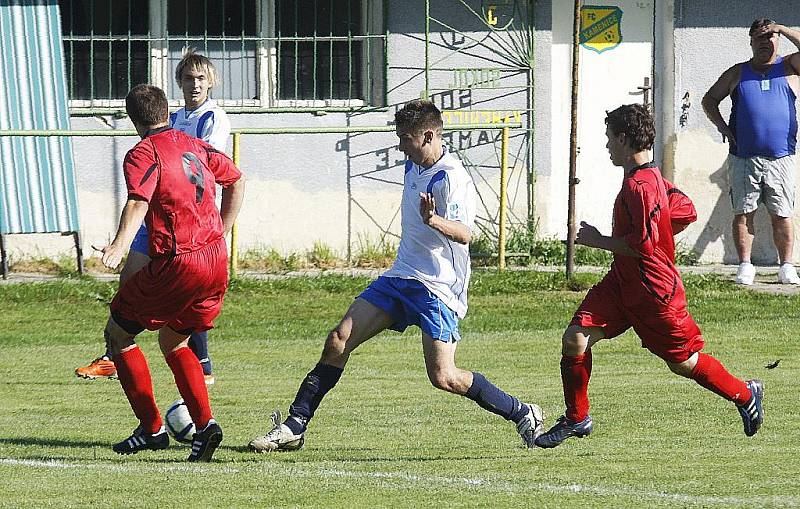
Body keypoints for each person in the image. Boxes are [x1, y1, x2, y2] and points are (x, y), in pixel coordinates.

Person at [248, 100, 543, 452]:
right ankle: (295, 424)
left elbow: (466, 234)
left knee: (444, 377)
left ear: (429, 136)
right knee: (338, 340)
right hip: (401, 276)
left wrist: (433, 221)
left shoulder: (450, 177)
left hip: (438, 288)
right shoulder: (413, 166)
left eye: (405, 138)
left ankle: (522, 412)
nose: (400, 146)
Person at [534, 104, 763, 449]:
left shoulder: (642, 186)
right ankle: (577, 418)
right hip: (621, 283)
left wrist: (599, 240)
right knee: (575, 339)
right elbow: (684, 210)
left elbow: (644, 246)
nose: (607, 146)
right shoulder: (648, 180)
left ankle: (746, 394)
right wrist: (660, 228)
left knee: (683, 363)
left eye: (610, 139)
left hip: (655, 293)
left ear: (624, 140)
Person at [96, 84, 244, 461]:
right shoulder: (192, 142)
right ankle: (205, 425)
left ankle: (151, 429)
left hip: (180, 262)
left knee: (118, 333)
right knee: (173, 341)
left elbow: (137, 202)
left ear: (133, 120)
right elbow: (237, 179)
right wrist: (223, 228)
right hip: (215, 259)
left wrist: (118, 246)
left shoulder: (143, 152)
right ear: (166, 110)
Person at [75, 50, 231, 384]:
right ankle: (113, 355)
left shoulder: (213, 118)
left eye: (201, 78)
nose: (194, 84)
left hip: (190, 221)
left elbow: (203, 165)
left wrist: (224, 228)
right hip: (157, 214)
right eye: (188, 78)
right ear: (179, 82)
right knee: (129, 284)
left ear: (211, 82)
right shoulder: (172, 119)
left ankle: (200, 362)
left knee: (188, 289)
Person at [702, 18, 800, 286]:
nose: (765, 43)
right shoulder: (737, 72)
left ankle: (786, 267)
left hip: (781, 157)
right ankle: (745, 265)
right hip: (743, 157)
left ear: (778, 40)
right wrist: (721, 126)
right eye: (759, 38)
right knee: (743, 213)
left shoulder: (790, 67)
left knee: (782, 213)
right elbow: (709, 99)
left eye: (770, 37)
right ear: (751, 42)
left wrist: (782, 28)